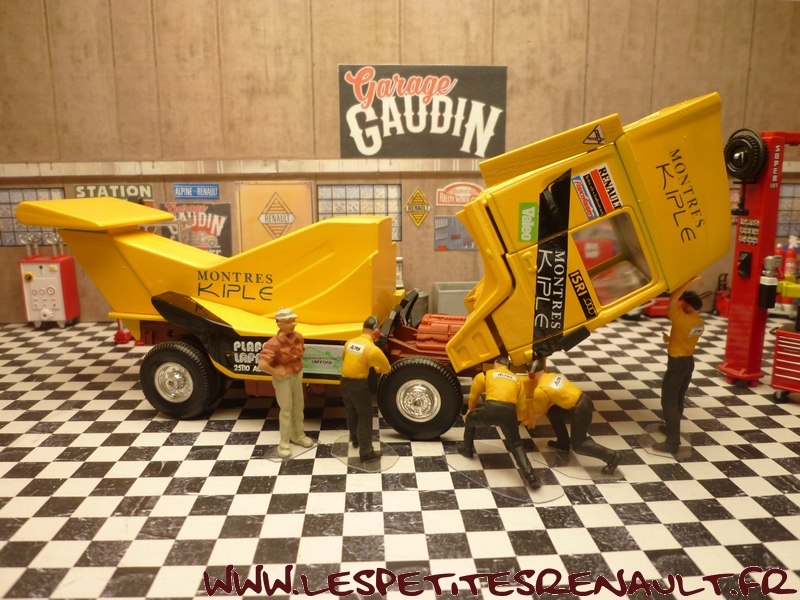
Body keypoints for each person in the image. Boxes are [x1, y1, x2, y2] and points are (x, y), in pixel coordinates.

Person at [457, 356, 542, 489]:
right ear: (508, 366)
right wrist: (513, 423)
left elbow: (473, 396)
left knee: (471, 418)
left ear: (495, 363)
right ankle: (531, 476)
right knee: (516, 444)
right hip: (509, 412)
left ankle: (467, 449)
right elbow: (521, 407)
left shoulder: (485, 375)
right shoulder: (517, 379)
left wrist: (470, 411)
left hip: (490, 409)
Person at [523, 361, 621, 475]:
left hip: (580, 410)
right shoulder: (552, 376)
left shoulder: (540, 389)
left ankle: (613, 457)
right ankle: (563, 442)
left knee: (579, 445)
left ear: (531, 375)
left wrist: (531, 421)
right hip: (584, 400)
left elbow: (537, 410)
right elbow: (546, 403)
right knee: (554, 413)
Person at [654, 276, 704, 454]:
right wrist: (671, 339)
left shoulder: (683, 319)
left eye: (684, 304)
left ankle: (672, 442)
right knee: (678, 398)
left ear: (688, 306)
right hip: (688, 363)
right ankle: (672, 429)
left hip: (676, 364)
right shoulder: (698, 323)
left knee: (668, 401)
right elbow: (686, 338)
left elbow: (672, 302)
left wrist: (687, 283)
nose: (681, 306)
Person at [258, 308, 313, 458]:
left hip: (297, 375)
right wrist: (275, 371)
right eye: (289, 321)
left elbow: (300, 353)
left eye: (293, 320)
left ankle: (298, 435)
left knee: (299, 407)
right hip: (284, 379)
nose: (293, 324)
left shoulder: (299, 337)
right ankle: (284, 443)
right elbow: (262, 365)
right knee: (286, 411)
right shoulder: (273, 343)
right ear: (279, 323)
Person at [340, 316, 391, 463]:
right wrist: (377, 368)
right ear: (376, 331)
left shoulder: (350, 342)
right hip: (358, 384)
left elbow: (345, 358)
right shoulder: (372, 349)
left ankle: (355, 439)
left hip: (344, 381)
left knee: (351, 411)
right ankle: (366, 452)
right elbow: (387, 368)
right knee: (365, 416)